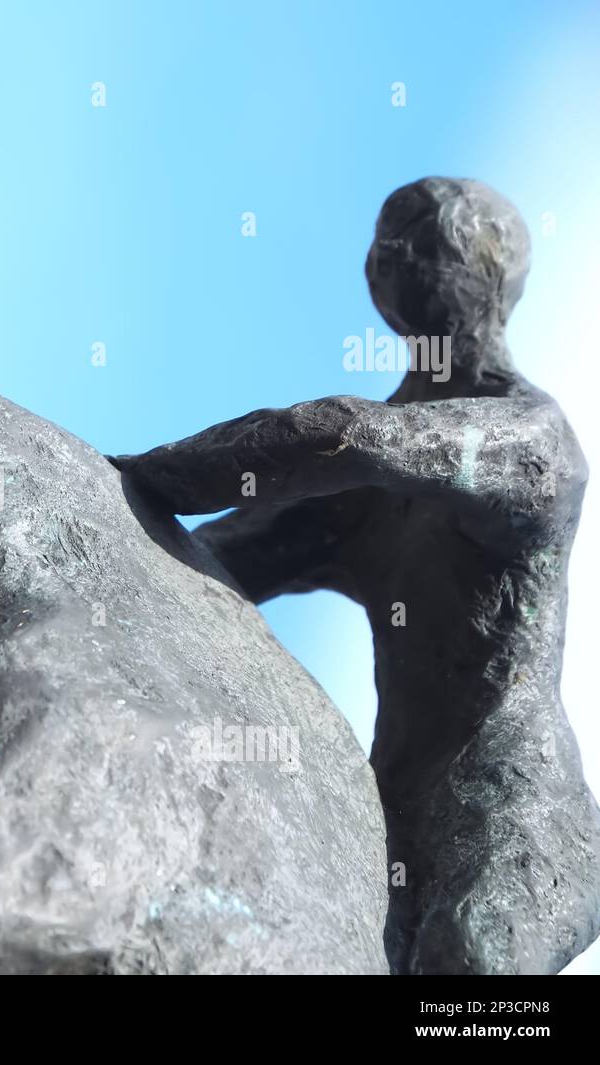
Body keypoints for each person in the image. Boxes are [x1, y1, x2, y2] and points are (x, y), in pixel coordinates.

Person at [114, 177, 600, 973]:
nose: (392, 253)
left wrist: (135, 474)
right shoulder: (359, 506)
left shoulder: (534, 442)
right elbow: (215, 560)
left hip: (516, 815)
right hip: (385, 821)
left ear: (491, 273)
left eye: (422, 235)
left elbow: (352, 436)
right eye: (386, 235)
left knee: (469, 978)